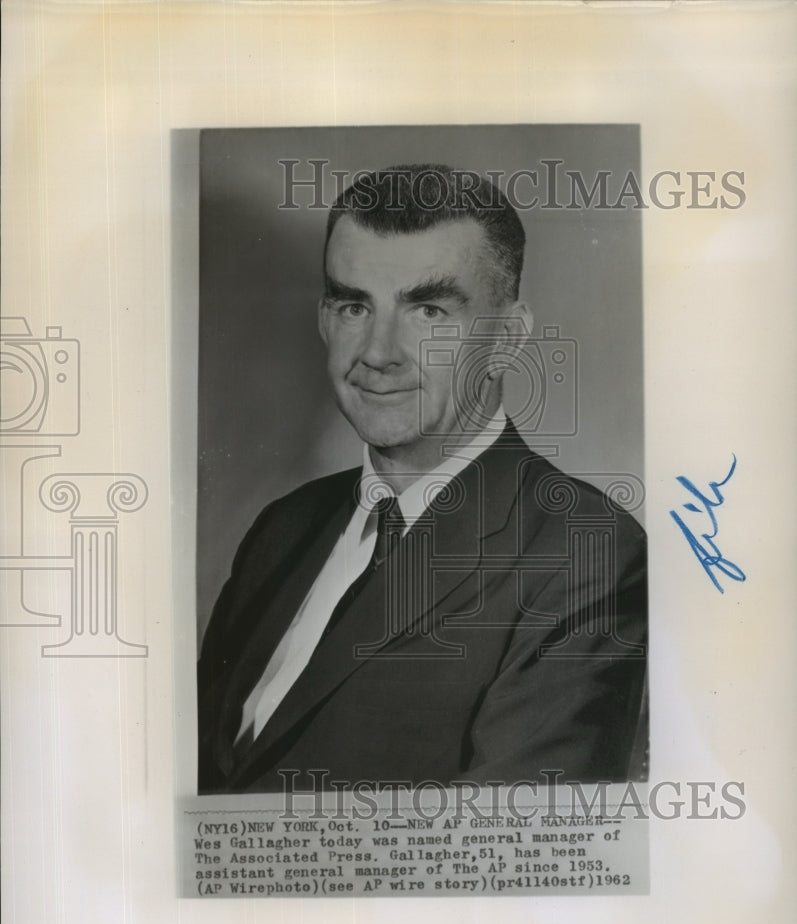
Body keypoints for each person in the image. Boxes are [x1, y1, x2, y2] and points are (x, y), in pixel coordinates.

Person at [198, 164, 648, 794]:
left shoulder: (584, 551)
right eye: (354, 305)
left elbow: (509, 861)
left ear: (509, 340)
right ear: (325, 320)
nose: (378, 352)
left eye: (428, 310)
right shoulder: (284, 526)